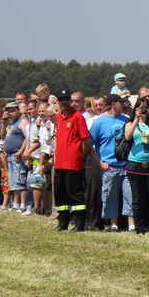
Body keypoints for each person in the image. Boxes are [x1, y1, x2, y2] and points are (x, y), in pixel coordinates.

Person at [89, 94, 134, 232]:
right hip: (108, 166)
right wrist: (99, 162)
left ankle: (131, 224)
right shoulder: (99, 122)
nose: (123, 105)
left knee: (130, 195)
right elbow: (89, 145)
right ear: (114, 104)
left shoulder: (126, 120)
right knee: (109, 196)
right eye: (121, 103)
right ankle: (113, 224)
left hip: (126, 165)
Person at [123, 96, 149, 233]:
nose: (143, 110)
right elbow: (127, 136)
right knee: (138, 198)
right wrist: (136, 118)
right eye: (141, 108)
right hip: (135, 164)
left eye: (146, 108)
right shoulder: (130, 123)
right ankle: (140, 228)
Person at [53, 90, 92, 231]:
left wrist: (81, 156)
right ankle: (63, 222)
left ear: (70, 101)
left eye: (66, 99)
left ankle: (79, 223)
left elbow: (85, 140)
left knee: (76, 195)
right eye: (61, 100)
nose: (63, 102)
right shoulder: (59, 117)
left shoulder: (77, 117)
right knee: (60, 194)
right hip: (59, 163)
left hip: (73, 163)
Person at [2, 102, 28, 212]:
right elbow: (3, 136)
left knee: (20, 181)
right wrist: (3, 122)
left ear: (18, 110)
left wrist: (21, 151)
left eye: (12, 111)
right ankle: (16, 203)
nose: (10, 113)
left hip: (18, 156)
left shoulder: (23, 121)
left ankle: (23, 204)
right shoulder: (10, 122)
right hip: (10, 156)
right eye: (8, 112)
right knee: (13, 181)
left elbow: (28, 137)